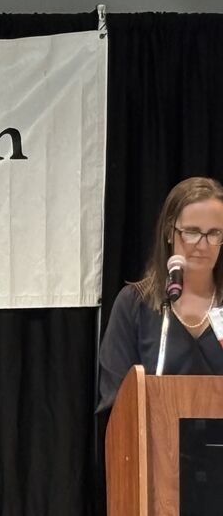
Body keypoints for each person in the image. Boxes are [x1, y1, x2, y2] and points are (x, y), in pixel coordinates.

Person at [98, 176, 223, 411]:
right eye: (192, 232)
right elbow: (116, 402)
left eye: (214, 233)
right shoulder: (133, 304)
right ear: (169, 232)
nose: (203, 245)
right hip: (154, 444)